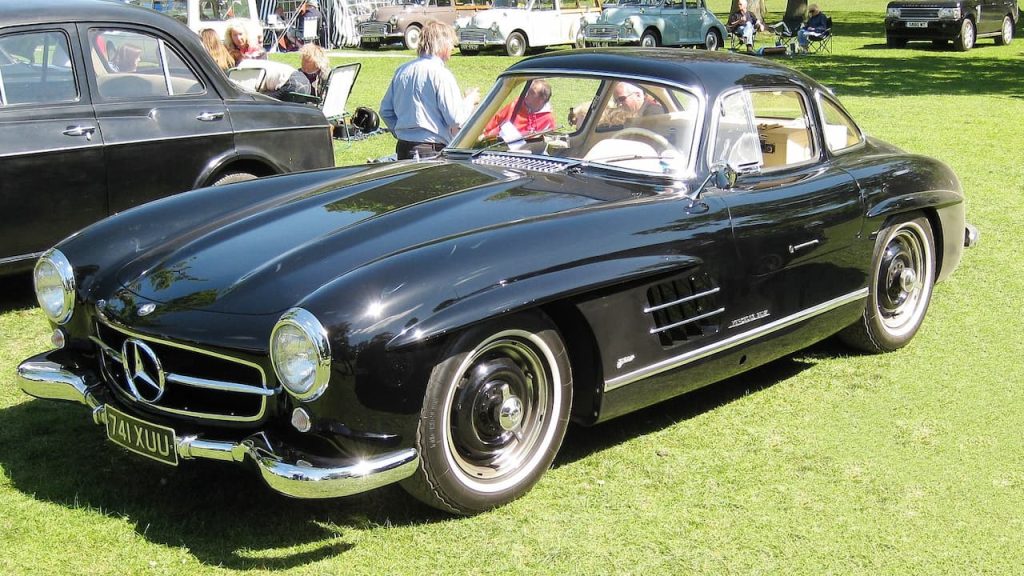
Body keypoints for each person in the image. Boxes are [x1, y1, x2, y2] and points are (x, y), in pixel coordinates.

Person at [380, 21, 480, 160]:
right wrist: (469, 101)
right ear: (443, 44)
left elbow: (385, 111)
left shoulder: (402, 70)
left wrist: (402, 132)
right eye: (451, 43)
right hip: (430, 151)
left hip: (403, 148)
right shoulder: (440, 74)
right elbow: (455, 119)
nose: (452, 47)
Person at [483, 79, 555, 139]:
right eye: (528, 90)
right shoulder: (515, 105)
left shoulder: (548, 119)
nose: (526, 94)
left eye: (531, 93)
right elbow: (492, 124)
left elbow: (548, 141)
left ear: (541, 99)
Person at [238, 58, 311, 100]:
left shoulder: (241, 69)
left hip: (292, 83)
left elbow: (247, 94)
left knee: (266, 101)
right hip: (303, 81)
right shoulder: (251, 63)